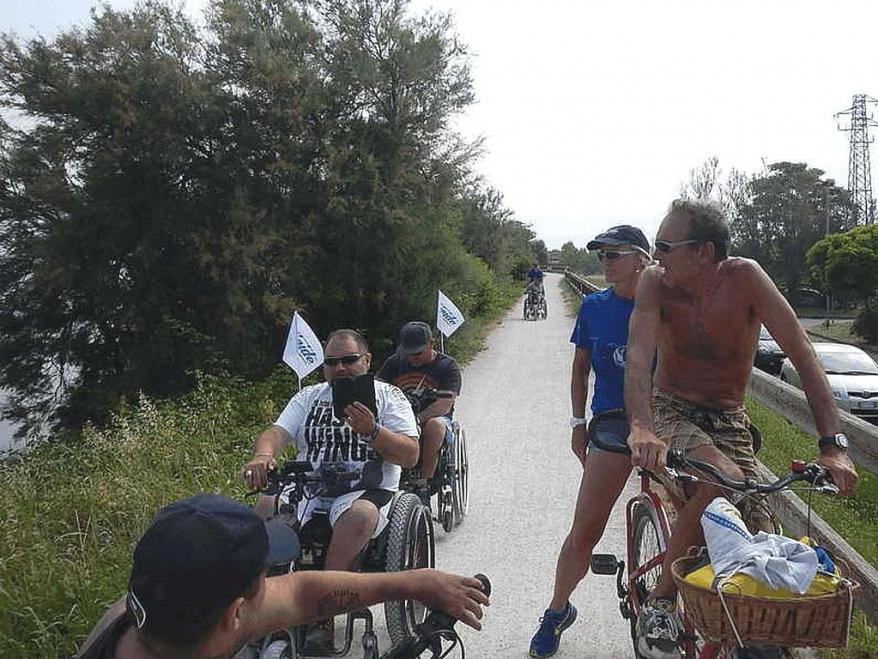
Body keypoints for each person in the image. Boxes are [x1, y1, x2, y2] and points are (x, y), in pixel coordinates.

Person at [625, 199, 859, 659]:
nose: (656, 257)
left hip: (729, 417)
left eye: (665, 246)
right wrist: (641, 427)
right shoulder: (656, 283)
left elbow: (803, 354)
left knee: (758, 535)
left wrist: (833, 446)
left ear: (704, 252)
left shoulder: (746, 279)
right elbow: (637, 356)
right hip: (671, 408)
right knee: (721, 479)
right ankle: (660, 603)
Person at [75, 493, 488, 659]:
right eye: (264, 577)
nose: (274, 582)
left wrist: (413, 582)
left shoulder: (130, 621)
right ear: (234, 614)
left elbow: (298, 594)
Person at [241, 328, 419, 649]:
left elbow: (410, 454)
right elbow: (276, 433)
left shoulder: (389, 397)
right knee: (265, 507)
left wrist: (373, 431)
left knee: (358, 516)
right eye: (331, 362)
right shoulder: (307, 397)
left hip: (366, 489)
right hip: (312, 487)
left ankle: (320, 613)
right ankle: (258, 602)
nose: (339, 368)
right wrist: (264, 455)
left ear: (366, 360)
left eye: (348, 360)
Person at [528, 225, 652, 659]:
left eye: (613, 255)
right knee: (585, 531)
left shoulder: (667, 304)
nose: (604, 263)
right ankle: (557, 610)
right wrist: (577, 422)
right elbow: (581, 369)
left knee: (695, 517)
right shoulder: (595, 307)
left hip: (666, 423)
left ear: (641, 257)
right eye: (600, 256)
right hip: (613, 422)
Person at [377, 321, 462, 507]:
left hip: (433, 419)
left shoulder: (448, 367)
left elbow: (445, 404)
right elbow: (377, 390)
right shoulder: (394, 363)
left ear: (431, 343)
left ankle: (424, 484)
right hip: (400, 419)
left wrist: (417, 420)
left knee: (435, 426)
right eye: (408, 353)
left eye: (417, 353)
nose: (412, 358)